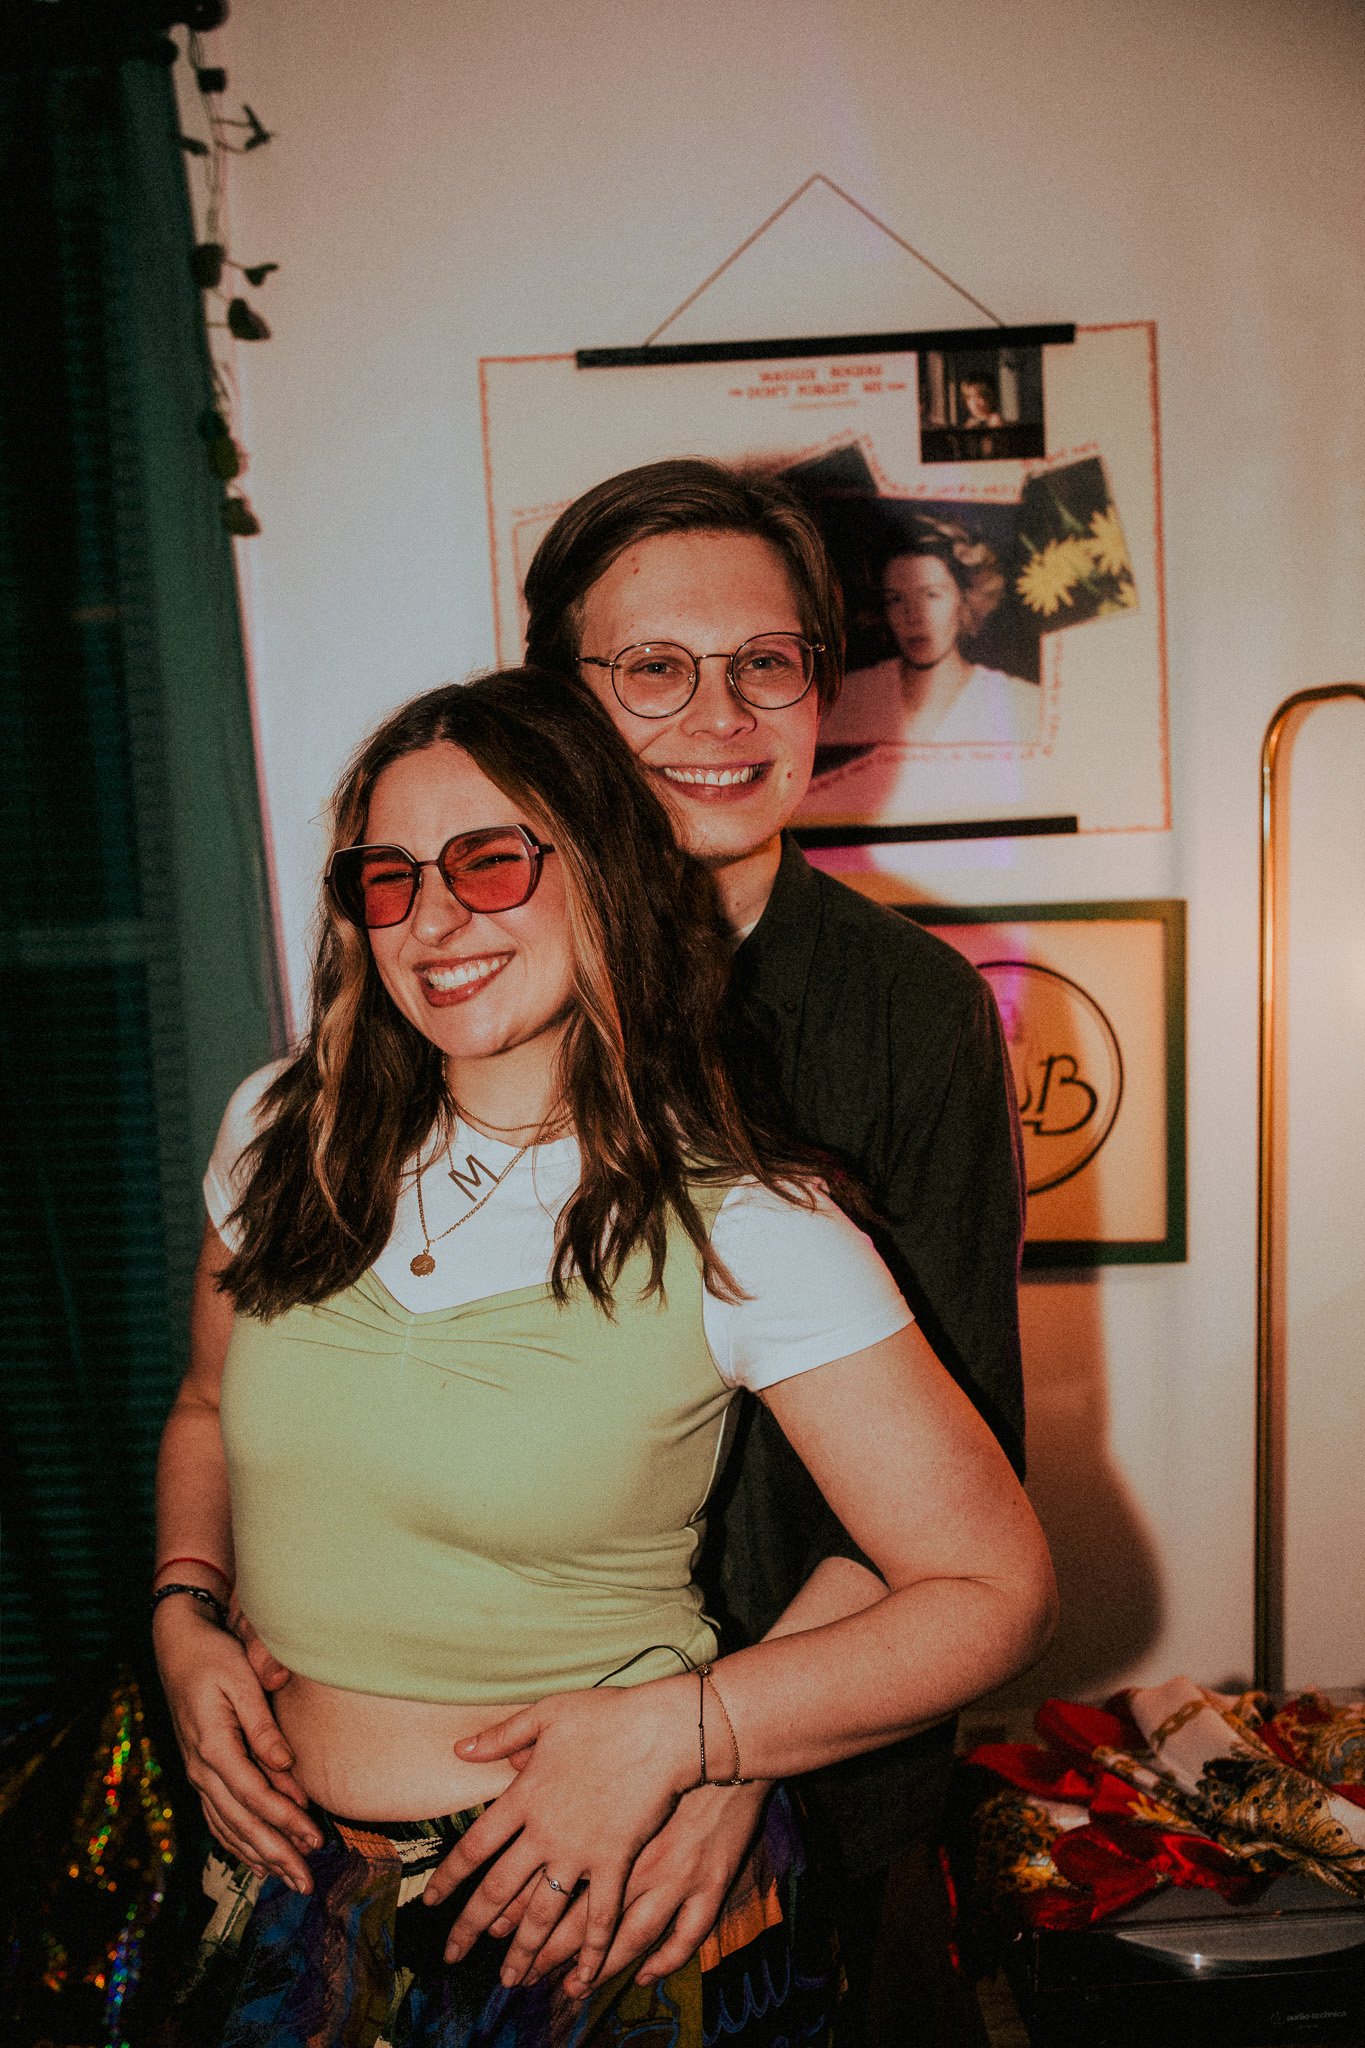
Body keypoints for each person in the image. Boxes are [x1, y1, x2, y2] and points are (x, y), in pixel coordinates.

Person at [153, 671, 1055, 2047]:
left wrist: (691, 1733)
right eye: (388, 879)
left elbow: (992, 1591)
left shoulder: (747, 1220)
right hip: (279, 1892)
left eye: (489, 861)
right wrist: (185, 1610)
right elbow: (207, 1404)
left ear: (607, 874)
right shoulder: (283, 1132)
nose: (433, 919)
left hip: (591, 1910)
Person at [820, 514, 1041, 747]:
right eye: (895, 599)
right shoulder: (846, 701)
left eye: (931, 595)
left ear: (966, 599)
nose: (913, 617)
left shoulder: (1021, 704)